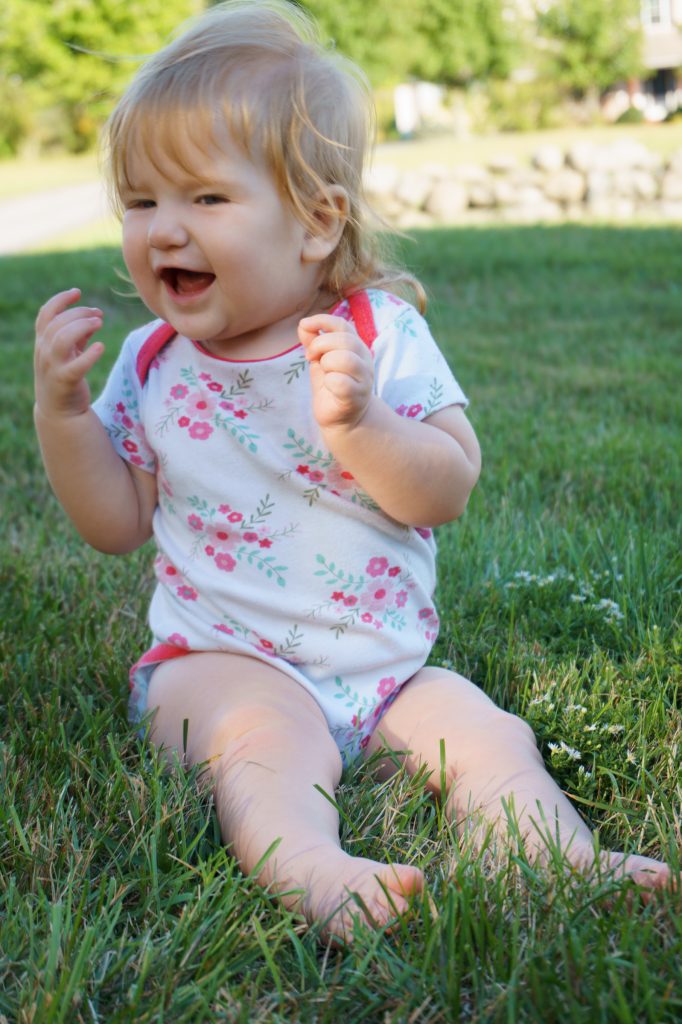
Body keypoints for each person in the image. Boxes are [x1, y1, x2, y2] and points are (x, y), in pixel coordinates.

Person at [33, 0, 671, 942]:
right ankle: (315, 871)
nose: (164, 229)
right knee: (263, 746)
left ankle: (554, 855)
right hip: (218, 663)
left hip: (382, 671)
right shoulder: (154, 365)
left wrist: (364, 423)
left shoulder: (379, 339)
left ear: (317, 222)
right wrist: (66, 417)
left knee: (488, 734)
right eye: (141, 201)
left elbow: (446, 488)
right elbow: (115, 522)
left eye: (205, 198)